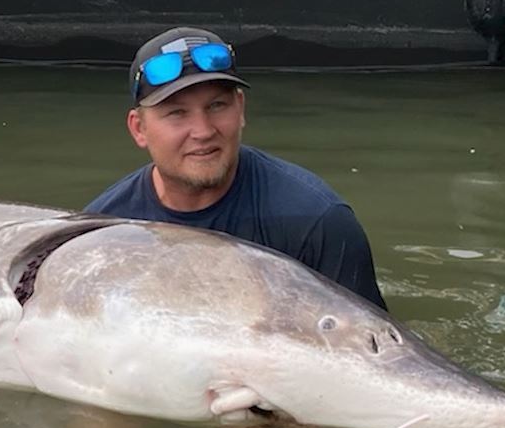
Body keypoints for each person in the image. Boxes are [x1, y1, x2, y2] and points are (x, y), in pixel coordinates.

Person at [86, 27, 387, 310]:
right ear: (139, 129)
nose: (203, 131)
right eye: (177, 113)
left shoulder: (316, 221)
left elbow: (373, 353)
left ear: (240, 109)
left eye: (217, 106)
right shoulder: (105, 234)